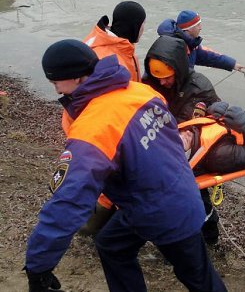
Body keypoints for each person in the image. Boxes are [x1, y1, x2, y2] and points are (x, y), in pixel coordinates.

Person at [25, 40, 226, 292]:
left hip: (164, 212)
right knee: (111, 244)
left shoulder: (94, 128)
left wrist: (38, 266)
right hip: (172, 194)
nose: (55, 90)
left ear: (76, 78)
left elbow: (69, 201)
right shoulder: (141, 92)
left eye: (55, 82)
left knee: (198, 278)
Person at [143, 35, 222, 245]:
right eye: (158, 77)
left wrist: (194, 130)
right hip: (160, 151)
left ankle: (210, 237)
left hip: (193, 154)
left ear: (178, 69)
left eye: (167, 77)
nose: (163, 82)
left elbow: (218, 118)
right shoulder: (149, 83)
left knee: (199, 198)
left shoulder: (200, 86)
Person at [157, 10, 245, 72]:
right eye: (198, 25)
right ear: (189, 29)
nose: (201, 28)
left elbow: (209, 57)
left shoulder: (190, 44)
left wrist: (232, 64)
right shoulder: (175, 48)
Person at [84, 1, 146, 82]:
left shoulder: (123, 46)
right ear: (135, 26)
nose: (143, 29)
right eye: (143, 24)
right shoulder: (108, 61)